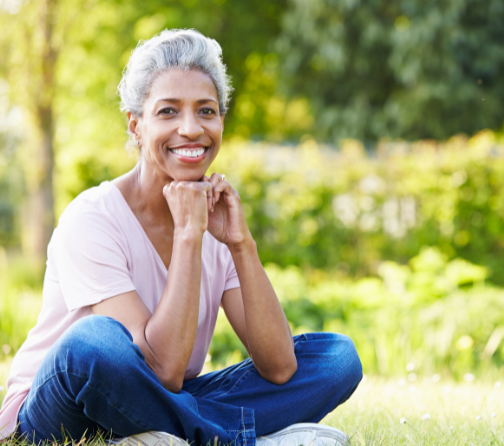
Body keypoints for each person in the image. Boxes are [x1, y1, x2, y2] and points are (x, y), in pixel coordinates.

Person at [0, 29, 361, 446]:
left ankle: (157, 435)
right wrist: (190, 236)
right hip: (58, 409)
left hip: (159, 401)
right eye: (168, 112)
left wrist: (241, 245)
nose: (190, 129)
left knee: (336, 360)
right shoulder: (92, 217)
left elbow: (279, 367)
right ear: (136, 125)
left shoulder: (215, 217)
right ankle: (237, 439)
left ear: (221, 121)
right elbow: (163, 369)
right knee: (92, 342)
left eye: (206, 111)